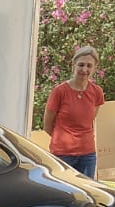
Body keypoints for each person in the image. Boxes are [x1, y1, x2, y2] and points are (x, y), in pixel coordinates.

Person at [42, 46, 105, 177]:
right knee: (63, 192)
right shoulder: (60, 92)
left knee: (87, 193)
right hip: (63, 154)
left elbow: (89, 120)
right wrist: (65, 140)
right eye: (81, 65)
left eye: (89, 66)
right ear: (73, 65)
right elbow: (47, 125)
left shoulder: (96, 92)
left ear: (94, 68)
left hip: (87, 154)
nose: (84, 69)